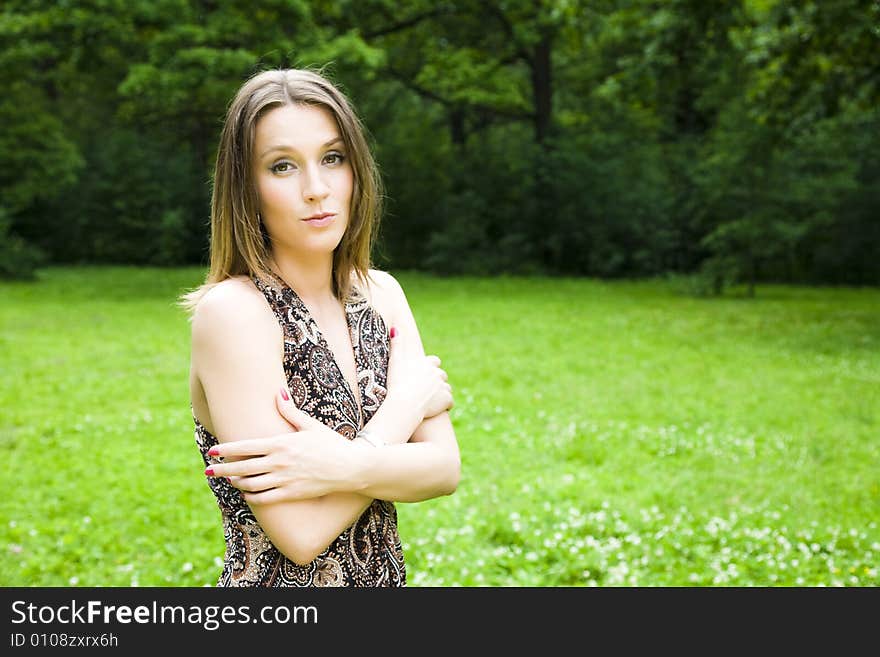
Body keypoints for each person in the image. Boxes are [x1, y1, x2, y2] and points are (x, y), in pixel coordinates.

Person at [180, 67, 461, 587]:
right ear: (246, 188)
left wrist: (336, 465)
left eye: (333, 158)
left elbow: (444, 469)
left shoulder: (382, 295)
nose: (316, 189)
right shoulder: (235, 313)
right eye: (282, 166)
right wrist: (401, 412)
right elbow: (300, 533)